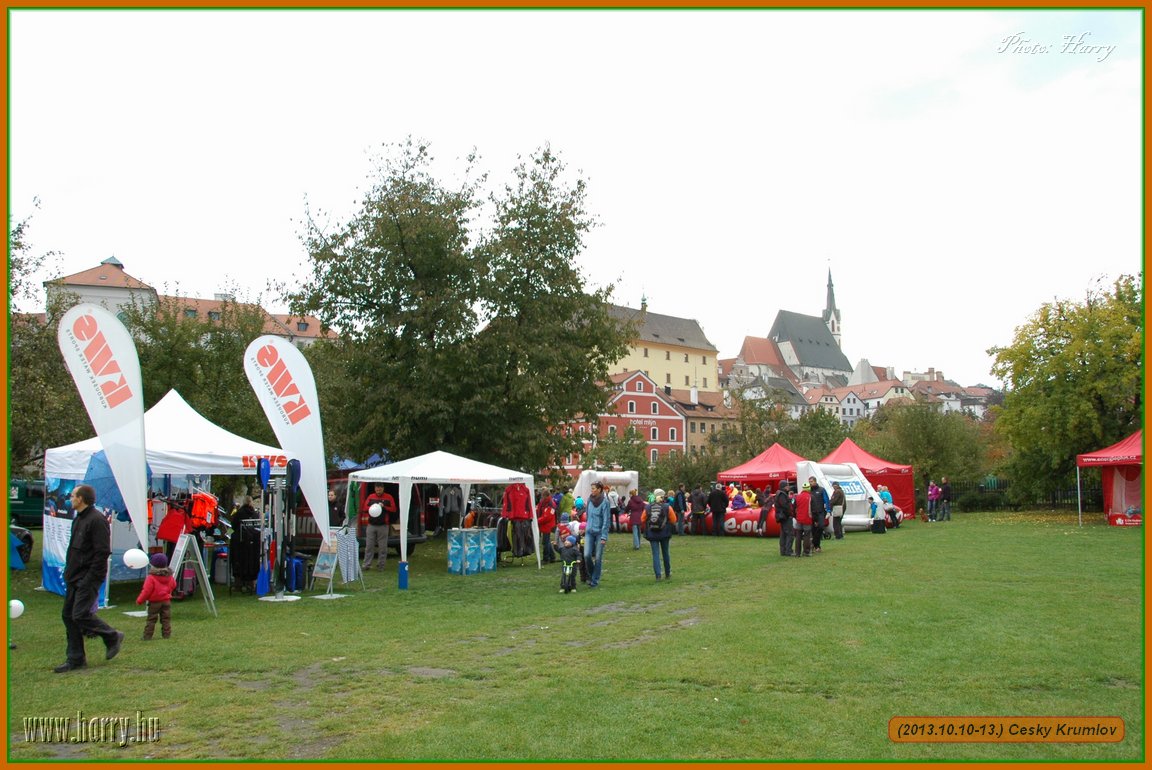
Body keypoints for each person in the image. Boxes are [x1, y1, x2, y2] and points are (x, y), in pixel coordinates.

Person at [55, 484, 124, 672]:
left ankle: (112, 636)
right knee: (68, 616)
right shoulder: (79, 519)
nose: (70, 498)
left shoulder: (97, 520)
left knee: (80, 614)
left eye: (73, 496)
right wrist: (69, 573)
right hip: (74, 575)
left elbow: (102, 552)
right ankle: (75, 658)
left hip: (88, 576)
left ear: (81, 499)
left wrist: (89, 578)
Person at [136, 552, 177, 640]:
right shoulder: (169, 576)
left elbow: (146, 591)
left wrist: (140, 600)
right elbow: (174, 585)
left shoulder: (151, 577)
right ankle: (166, 635)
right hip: (166, 601)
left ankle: (147, 636)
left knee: (151, 619)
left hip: (154, 602)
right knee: (166, 619)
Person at [583, 482, 611, 588]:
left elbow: (606, 520)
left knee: (598, 557)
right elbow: (588, 515)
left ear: (599, 489)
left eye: (594, 488)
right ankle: (591, 575)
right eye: (591, 488)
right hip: (589, 532)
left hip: (599, 533)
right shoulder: (589, 500)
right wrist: (586, 527)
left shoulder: (605, 502)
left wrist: (604, 536)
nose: (592, 490)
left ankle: (595, 580)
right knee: (586, 555)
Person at [643, 488, 674, 580]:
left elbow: (642, 519)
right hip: (665, 533)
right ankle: (667, 573)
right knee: (665, 553)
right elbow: (673, 520)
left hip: (652, 533)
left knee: (655, 554)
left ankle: (658, 575)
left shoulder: (648, 507)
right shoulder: (667, 507)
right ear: (663, 496)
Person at [362, 482, 393, 571]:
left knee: (382, 547)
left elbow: (393, 509)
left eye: (380, 488)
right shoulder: (371, 497)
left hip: (383, 526)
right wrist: (372, 507)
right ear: (375, 489)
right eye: (377, 488)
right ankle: (366, 565)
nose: (378, 490)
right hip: (371, 525)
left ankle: (381, 566)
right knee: (369, 546)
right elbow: (364, 508)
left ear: (383, 488)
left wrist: (384, 507)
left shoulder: (388, 497)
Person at [536, 491, 557, 564]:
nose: (542, 497)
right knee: (547, 542)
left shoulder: (551, 504)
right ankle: (552, 557)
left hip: (547, 525)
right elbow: (538, 508)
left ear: (546, 496)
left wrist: (537, 520)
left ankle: (546, 558)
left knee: (545, 542)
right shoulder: (544, 502)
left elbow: (547, 517)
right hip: (545, 525)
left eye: (543, 496)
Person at [808, 476, 828, 553]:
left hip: (820, 512)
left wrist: (828, 510)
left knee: (821, 526)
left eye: (811, 481)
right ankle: (817, 546)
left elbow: (826, 500)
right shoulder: (809, 491)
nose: (810, 483)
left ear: (815, 481)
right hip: (812, 513)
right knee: (813, 529)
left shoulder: (821, 490)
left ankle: (813, 542)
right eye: (809, 482)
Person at [793, 483, 813, 557]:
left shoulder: (797, 497)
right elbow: (814, 508)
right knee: (807, 536)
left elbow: (793, 507)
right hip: (807, 518)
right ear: (809, 488)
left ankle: (797, 552)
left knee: (798, 536)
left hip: (799, 518)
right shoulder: (810, 497)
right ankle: (806, 552)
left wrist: (795, 516)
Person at [775, 483, 794, 556]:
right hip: (785, 516)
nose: (788, 487)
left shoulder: (779, 493)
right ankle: (788, 551)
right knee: (789, 534)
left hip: (782, 516)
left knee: (783, 534)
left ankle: (783, 551)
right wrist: (790, 513)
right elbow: (785, 506)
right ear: (784, 487)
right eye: (787, 486)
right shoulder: (782, 494)